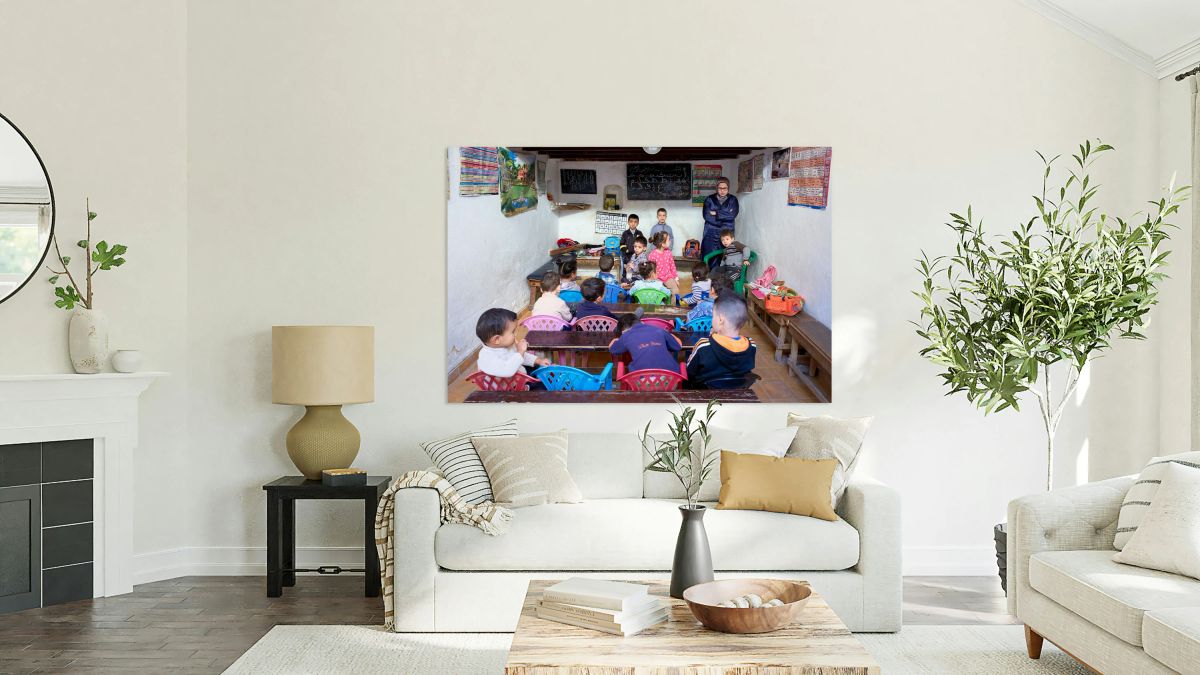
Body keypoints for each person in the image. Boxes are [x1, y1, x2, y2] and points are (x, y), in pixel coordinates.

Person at [685, 292, 756, 389]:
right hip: (735, 391)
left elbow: (690, 372)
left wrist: (711, 339)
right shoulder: (751, 345)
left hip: (705, 392)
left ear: (721, 320)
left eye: (713, 315)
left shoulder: (703, 345)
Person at [475, 307, 550, 388]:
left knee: (540, 371)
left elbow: (520, 356)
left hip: (518, 376)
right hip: (507, 389)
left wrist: (538, 360)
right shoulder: (487, 357)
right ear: (497, 339)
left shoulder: (504, 345)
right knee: (542, 386)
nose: (515, 335)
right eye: (513, 332)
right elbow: (507, 370)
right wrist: (520, 351)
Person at [609, 314, 683, 373]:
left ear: (624, 330)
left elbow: (612, 349)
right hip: (671, 379)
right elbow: (678, 346)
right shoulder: (659, 330)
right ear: (641, 322)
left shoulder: (626, 336)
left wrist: (617, 339)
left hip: (641, 382)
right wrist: (672, 335)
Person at [702, 177, 740, 267]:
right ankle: (710, 278)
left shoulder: (733, 200)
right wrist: (724, 218)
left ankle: (723, 279)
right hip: (710, 234)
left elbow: (732, 215)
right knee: (709, 256)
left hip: (726, 234)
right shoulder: (709, 199)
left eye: (725, 188)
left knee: (726, 256)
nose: (722, 191)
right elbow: (706, 216)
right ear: (716, 188)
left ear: (728, 188)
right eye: (720, 188)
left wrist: (716, 213)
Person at [647, 231, 680, 297]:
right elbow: (650, 270)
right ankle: (660, 306)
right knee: (659, 294)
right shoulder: (652, 255)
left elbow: (672, 266)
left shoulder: (668, 253)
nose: (670, 241)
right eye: (668, 240)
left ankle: (672, 307)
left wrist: (675, 279)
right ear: (662, 244)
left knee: (676, 291)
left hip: (668, 278)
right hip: (657, 279)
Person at [618, 213, 644, 281]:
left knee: (635, 272)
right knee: (626, 272)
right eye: (631, 221)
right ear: (628, 222)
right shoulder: (625, 233)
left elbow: (642, 243)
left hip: (636, 257)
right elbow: (621, 243)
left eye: (635, 222)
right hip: (627, 257)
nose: (633, 223)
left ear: (638, 223)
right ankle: (626, 283)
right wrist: (626, 250)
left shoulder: (639, 233)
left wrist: (640, 252)